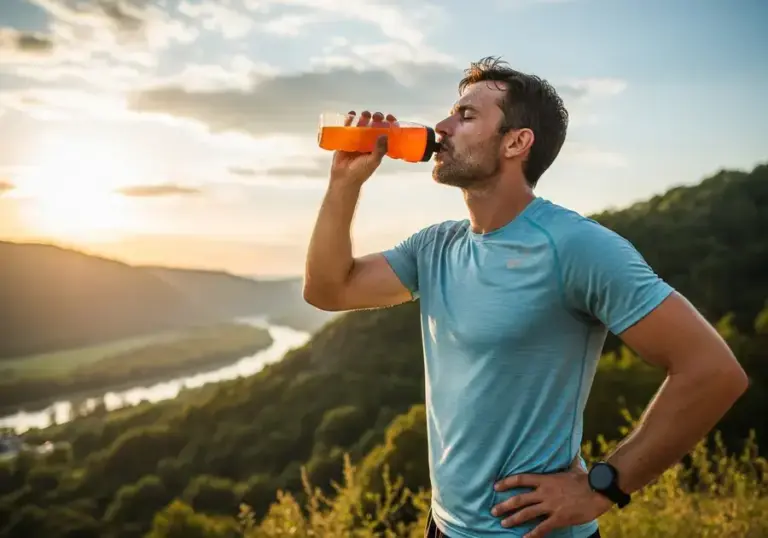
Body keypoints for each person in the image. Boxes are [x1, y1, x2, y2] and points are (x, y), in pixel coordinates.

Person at [302, 56, 748, 538]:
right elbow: (329, 289)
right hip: (445, 527)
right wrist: (344, 183)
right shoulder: (435, 247)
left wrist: (602, 486)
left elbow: (713, 372)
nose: (441, 127)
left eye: (466, 116)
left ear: (517, 142)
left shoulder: (577, 247)